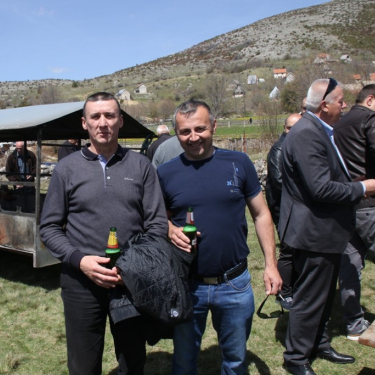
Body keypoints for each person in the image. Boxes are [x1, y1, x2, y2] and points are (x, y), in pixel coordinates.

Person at [40, 92, 168, 375]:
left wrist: (133, 266)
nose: (103, 123)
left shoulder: (141, 167)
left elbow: (157, 225)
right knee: (84, 366)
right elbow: (49, 227)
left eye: (109, 115)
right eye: (95, 116)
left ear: (120, 121)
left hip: (131, 283)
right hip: (80, 283)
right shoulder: (66, 169)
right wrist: (80, 260)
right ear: (84, 123)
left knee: (132, 363)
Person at [157, 99, 281, 375]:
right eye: (184, 132)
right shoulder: (165, 173)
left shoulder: (239, 163)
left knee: (236, 360)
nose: (193, 137)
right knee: (184, 360)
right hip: (187, 285)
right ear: (176, 133)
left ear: (214, 126)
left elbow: (261, 215)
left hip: (234, 283)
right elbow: (155, 220)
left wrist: (271, 265)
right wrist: (168, 229)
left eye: (199, 129)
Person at [279, 78, 375, 375]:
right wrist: (364, 188)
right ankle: (295, 358)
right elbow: (320, 189)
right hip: (313, 233)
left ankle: (318, 344)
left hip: (325, 231)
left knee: (322, 295)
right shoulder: (307, 133)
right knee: (309, 298)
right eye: (341, 100)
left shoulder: (318, 129)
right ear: (325, 105)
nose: (344, 105)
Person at [333, 84, 375, 341]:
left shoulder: (337, 124)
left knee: (350, 267)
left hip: (344, 203)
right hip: (369, 203)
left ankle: (353, 323)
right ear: (370, 100)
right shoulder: (369, 119)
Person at [265, 113, 301, 309]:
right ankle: (284, 292)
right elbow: (279, 182)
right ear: (285, 128)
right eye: (291, 128)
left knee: (295, 249)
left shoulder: (297, 145)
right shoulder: (279, 149)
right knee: (288, 249)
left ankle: (294, 287)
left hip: (295, 206)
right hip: (283, 207)